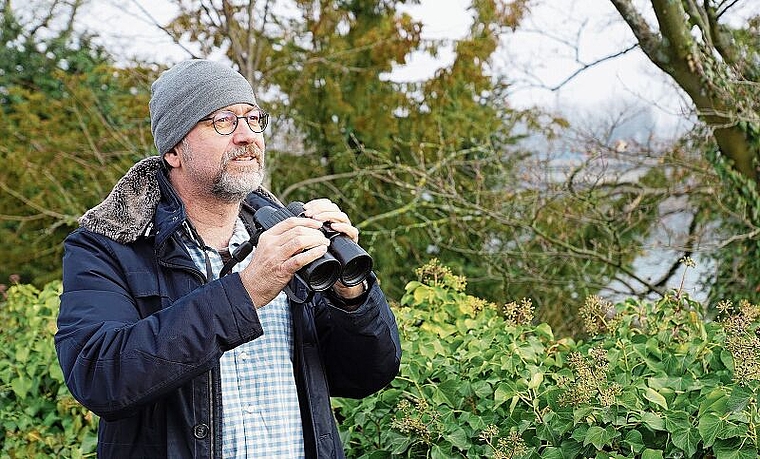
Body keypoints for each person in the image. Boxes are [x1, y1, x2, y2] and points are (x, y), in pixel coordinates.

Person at [55, 59, 401, 458]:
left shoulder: (289, 236)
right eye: (223, 121)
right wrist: (246, 291)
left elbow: (364, 375)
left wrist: (351, 292)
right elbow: (99, 376)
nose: (246, 136)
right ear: (174, 150)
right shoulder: (108, 246)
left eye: (254, 119)